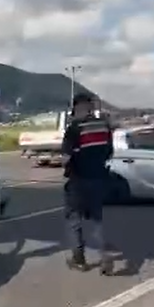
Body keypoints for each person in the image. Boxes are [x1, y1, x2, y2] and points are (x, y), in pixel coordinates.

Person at [62, 92, 115, 274]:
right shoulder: (104, 127)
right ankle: (105, 255)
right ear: (91, 107)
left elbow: (65, 158)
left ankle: (79, 260)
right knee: (97, 220)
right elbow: (109, 153)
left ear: (76, 108)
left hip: (78, 181)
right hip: (99, 178)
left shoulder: (75, 128)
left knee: (74, 219)